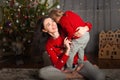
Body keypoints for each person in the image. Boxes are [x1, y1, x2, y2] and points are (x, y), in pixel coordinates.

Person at [36, 16, 105, 80]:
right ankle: (72, 76)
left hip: (79, 64)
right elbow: (58, 66)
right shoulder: (49, 45)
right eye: (48, 24)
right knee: (42, 73)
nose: (53, 24)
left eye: (52, 21)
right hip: (64, 68)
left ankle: (78, 73)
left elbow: (88, 24)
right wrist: (67, 50)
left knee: (100, 77)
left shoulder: (65, 29)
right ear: (44, 30)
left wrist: (85, 28)